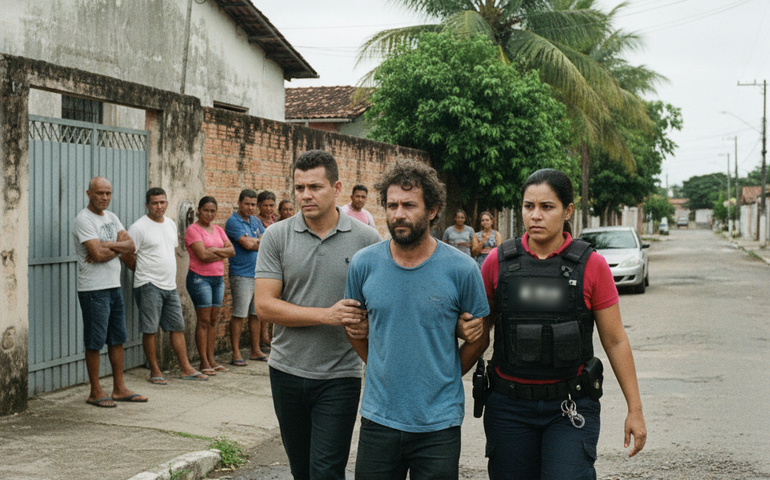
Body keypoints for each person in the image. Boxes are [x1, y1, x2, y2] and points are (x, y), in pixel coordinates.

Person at [476, 169, 646, 479]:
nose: (536, 216)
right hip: (509, 408)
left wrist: (635, 409)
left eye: (547, 207)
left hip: (570, 406)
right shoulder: (497, 262)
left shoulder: (592, 265)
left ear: (567, 211)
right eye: (529, 206)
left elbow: (615, 340)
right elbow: (478, 330)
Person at [345, 159, 490, 479]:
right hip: (378, 420)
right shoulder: (363, 264)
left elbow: (479, 337)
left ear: (433, 210)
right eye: (392, 205)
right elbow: (354, 327)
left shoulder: (462, 269)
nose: (398, 213)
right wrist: (380, 364)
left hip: (439, 424)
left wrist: (448, 372)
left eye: (409, 205)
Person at [254, 149, 381, 480]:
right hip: (286, 371)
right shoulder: (276, 236)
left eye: (315, 187)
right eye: (299, 188)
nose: (305, 195)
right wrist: (328, 315)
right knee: (302, 470)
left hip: (341, 375)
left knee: (326, 471)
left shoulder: (367, 239)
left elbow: (381, 302)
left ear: (337, 188)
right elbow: (265, 305)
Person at [73, 176, 147, 407]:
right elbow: (98, 255)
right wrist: (114, 246)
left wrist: (106, 245)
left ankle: (119, 388)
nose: (104, 197)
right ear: (89, 194)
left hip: (113, 286)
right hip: (93, 289)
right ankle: (95, 391)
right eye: (99, 193)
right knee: (95, 341)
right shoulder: (83, 220)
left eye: (108, 193)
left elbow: (131, 246)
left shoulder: (112, 217)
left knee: (117, 339)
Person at [122, 188, 208, 383]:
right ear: (147, 205)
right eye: (154, 203)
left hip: (170, 286)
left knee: (177, 326)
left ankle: (186, 368)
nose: (159, 206)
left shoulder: (169, 224)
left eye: (162, 202)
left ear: (167, 203)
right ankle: (155, 371)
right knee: (150, 329)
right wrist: (142, 271)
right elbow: (126, 254)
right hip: (148, 284)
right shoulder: (138, 227)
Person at [185, 196, 235, 376]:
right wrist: (220, 253)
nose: (209, 214)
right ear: (199, 210)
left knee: (214, 320)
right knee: (204, 321)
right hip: (200, 279)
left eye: (212, 211)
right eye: (205, 210)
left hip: (218, 279)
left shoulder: (218, 230)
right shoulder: (193, 230)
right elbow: (202, 256)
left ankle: (212, 359)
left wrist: (214, 250)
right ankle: (203, 362)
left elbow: (232, 251)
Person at [224, 189, 268, 366]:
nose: (250, 207)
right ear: (239, 203)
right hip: (241, 274)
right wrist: (258, 241)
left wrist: (257, 241)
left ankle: (255, 350)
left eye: (252, 204)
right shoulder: (233, 222)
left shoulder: (256, 220)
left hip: (258, 274)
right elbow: (248, 244)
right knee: (239, 314)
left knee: (256, 314)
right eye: (247, 204)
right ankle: (235, 353)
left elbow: (267, 242)